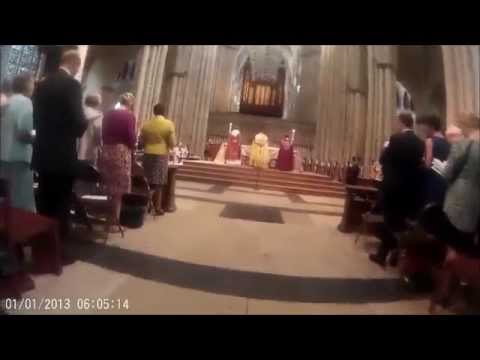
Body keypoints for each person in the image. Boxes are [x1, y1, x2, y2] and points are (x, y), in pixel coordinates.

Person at [32, 50, 88, 240]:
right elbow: (78, 120)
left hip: (42, 152)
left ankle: (40, 246)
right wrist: (81, 128)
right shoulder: (72, 85)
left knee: (43, 200)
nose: (77, 70)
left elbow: (35, 118)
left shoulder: (42, 84)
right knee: (61, 203)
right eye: (78, 67)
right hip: (63, 155)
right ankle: (56, 252)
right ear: (73, 63)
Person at [370, 112, 426, 267]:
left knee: (387, 221)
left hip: (392, 187)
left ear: (401, 122)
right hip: (410, 189)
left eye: (396, 121)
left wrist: (385, 150)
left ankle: (391, 252)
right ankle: (388, 254)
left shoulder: (395, 139)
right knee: (398, 221)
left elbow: (383, 160)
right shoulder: (420, 143)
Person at [423, 113, 480, 257]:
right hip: (475, 201)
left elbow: (448, 173)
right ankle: (464, 276)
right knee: (466, 242)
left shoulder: (463, 145)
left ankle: (451, 275)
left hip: (458, 201)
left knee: (450, 242)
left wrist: (442, 168)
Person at [99, 92, 136, 228]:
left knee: (109, 185)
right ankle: (113, 223)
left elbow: (102, 133)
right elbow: (131, 136)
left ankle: (107, 217)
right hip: (120, 151)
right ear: (130, 103)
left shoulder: (108, 114)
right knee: (119, 188)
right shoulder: (129, 115)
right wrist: (133, 147)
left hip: (106, 150)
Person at [0, 72, 36, 211]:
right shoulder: (25, 102)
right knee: (22, 203)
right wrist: (37, 137)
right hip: (19, 159)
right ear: (28, 86)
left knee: (4, 200)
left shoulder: (6, 101)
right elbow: (24, 134)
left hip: (2, 155)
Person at [139, 103, 176, 215]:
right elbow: (172, 143)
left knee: (147, 181)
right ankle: (158, 207)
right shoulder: (168, 124)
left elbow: (141, 141)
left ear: (154, 112)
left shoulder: (146, 125)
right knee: (159, 183)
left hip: (147, 154)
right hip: (161, 154)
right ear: (164, 112)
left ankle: (144, 204)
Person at [417, 114, 450, 205]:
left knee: (431, 206)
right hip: (444, 178)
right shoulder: (448, 141)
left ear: (430, 126)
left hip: (432, 179)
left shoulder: (429, 141)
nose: (423, 131)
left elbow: (428, 164)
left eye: (424, 128)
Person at [78, 94, 103, 166]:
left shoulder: (80, 113)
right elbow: (98, 133)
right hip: (90, 150)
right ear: (97, 103)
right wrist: (100, 146)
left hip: (76, 149)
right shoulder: (98, 115)